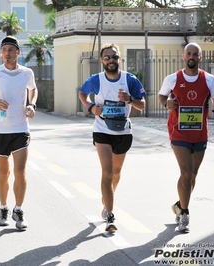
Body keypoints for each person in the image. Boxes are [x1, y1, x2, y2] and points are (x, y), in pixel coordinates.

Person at [79, 43, 146, 233]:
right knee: (107, 172)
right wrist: (91, 107)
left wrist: (129, 99)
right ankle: (109, 214)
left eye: (114, 57)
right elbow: (82, 93)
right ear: (102, 60)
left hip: (123, 132)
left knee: (116, 173)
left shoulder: (129, 80)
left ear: (119, 59)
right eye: (107, 57)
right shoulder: (97, 79)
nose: (111, 60)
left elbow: (141, 105)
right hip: (102, 131)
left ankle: (106, 198)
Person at [158, 42, 214, 233]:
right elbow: (162, 97)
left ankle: (179, 204)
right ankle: (184, 214)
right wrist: (167, 103)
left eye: (195, 54)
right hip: (178, 131)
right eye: (189, 54)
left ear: (200, 58)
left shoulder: (209, 79)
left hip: (200, 132)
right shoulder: (172, 79)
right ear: (183, 56)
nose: (192, 57)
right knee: (186, 173)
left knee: (193, 175)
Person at [0, 36, 38, 230]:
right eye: (4, 50)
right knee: (4, 173)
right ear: (1, 54)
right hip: (0, 130)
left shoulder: (27, 73)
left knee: (20, 172)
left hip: (20, 128)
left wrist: (31, 104)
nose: (7, 53)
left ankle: (18, 210)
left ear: (18, 53)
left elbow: (33, 90)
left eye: (11, 49)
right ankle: (3, 207)